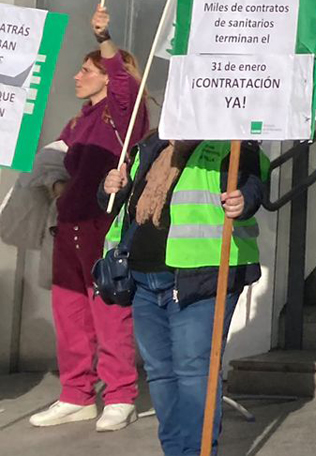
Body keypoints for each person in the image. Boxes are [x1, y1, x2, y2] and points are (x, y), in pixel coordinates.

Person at [100, 137, 266, 456]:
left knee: (194, 370)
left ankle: (196, 452)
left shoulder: (231, 141)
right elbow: (117, 203)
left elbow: (254, 183)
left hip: (201, 277)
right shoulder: (151, 144)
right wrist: (110, 187)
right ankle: (175, 451)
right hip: (141, 277)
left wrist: (244, 198)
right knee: (160, 372)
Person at [29, 6, 145, 432]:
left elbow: (125, 88)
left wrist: (105, 39)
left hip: (104, 223)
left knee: (109, 309)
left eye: (85, 71)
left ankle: (120, 395)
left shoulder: (123, 116)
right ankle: (76, 394)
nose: (76, 77)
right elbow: (53, 163)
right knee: (70, 312)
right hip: (69, 225)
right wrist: (58, 190)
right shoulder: (78, 121)